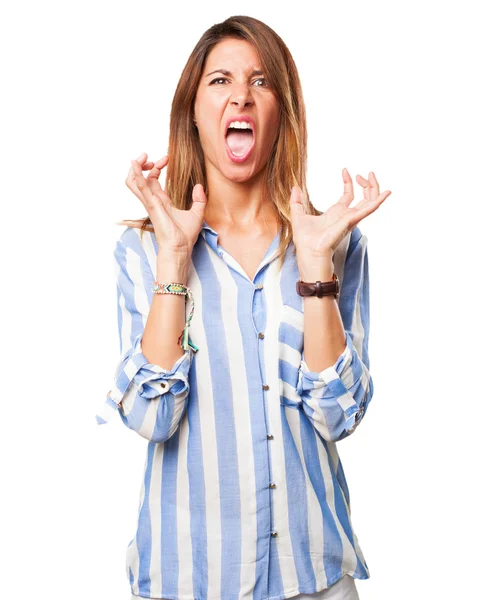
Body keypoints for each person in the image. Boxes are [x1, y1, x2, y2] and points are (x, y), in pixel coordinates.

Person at [95, 15, 391, 600]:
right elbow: (152, 418)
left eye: (261, 82)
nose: (241, 96)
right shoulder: (146, 249)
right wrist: (175, 262)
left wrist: (315, 272)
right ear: (194, 111)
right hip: (189, 578)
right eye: (220, 80)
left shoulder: (332, 243)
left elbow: (339, 417)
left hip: (313, 578)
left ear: (282, 109)